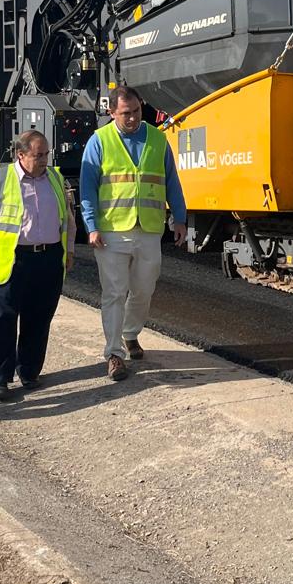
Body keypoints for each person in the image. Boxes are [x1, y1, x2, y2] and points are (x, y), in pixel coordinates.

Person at [80, 86, 188, 381]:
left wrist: (180, 218)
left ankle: (130, 334)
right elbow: (87, 188)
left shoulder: (157, 138)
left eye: (136, 112)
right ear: (112, 112)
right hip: (112, 230)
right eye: (125, 113)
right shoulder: (99, 141)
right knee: (114, 293)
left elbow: (171, 181)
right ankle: (114, 354)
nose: (132, 118)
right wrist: (91, 226)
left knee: (144, 289)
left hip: (149, 228)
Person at [0, 130, 74, 401]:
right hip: (10, 260)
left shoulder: (56, 179)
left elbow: (67, 220)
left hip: (47, 259)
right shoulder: (0, 178)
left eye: (46, 154)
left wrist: (69, 251)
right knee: (3, 319)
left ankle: (29, 371)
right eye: (38, 155)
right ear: (21, 155)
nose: (44, 160)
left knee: (39, 317)